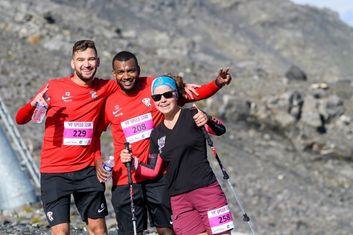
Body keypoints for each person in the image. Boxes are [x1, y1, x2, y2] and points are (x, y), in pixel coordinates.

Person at [95, 51, 232, 235]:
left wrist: (216, 83)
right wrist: (97, 160)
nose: (126, 76)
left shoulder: (156, 87)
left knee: (166, 230)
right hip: (128, 177)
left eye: (131, 70)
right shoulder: (109, 101)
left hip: (162, 178)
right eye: (121, 72)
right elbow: (92, 132)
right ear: (114, 74)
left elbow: (194, 95)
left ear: (138, 70)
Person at [15, 40, 118, 235]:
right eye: (81, 60)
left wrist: (175, 85)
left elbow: (136, 83)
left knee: (98, 229)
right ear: (73, 63)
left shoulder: (105, 87)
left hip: (86, 170)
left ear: (98, 62)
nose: (86, 64)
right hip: (54, 171)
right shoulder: (53, 87)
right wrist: (32, 105)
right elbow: (20, 119)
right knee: (61, 231)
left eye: (90, 59)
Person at [121, 75, 234, 235]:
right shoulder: (157, 133)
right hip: (179, 199)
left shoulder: (192, 115)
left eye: (168, 94)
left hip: (207, 191)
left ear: (177, 95)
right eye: (157, 97)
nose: (163, 100)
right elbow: (153, 170)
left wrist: (207, 119)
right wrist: (133, 162)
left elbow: (220, 129)